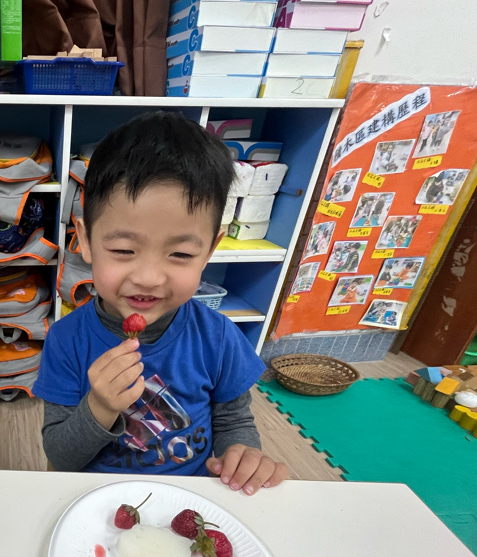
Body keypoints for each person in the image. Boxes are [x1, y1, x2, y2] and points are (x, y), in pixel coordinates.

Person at [33, 112, 288, 494]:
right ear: (84, 240)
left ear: (210, 251)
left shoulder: (218, 336)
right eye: (124, 250)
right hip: (99, 499)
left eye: (180, 254)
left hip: (191, 498)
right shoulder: (66, 339)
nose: (149, 277)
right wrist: (100, 406)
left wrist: (241, 455)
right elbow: (60, 456)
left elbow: (234, 421)